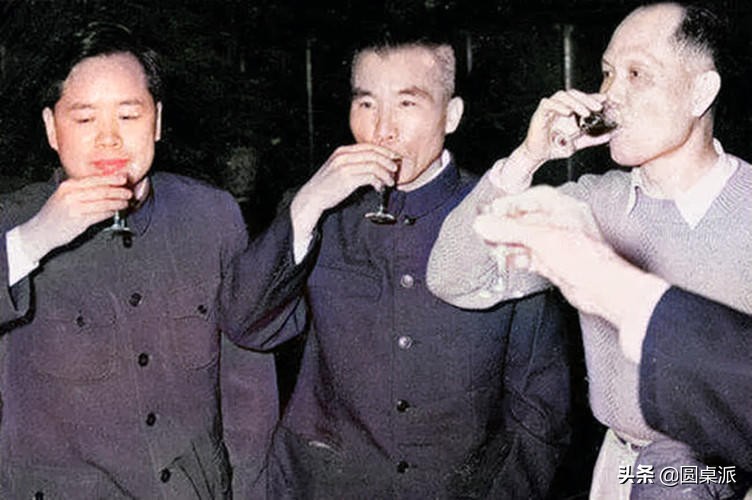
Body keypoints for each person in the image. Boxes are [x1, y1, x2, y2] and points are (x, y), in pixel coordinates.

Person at [427, 2, 752, 498]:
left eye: (637, 74)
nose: (609, 95)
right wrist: (528, 157)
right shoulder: (589, 206)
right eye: (606, 73)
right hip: (619, 468)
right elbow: (453, 277)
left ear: (700, 92)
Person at [0, 23, 311, 498]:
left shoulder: (212, 215)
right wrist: (33, 240)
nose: (109, 138)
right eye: (85, 119)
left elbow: (246, 391)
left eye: (128, 115)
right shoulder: (14, 222)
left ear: (158, 121)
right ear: (51, 128)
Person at [264, 34, 572, 498]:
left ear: (452, 115)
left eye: (407, 104)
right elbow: (248, 324)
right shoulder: (318, 212)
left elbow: (540, 405)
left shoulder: (506, 214)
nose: (382, 130)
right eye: (366, 104)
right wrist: (305, 207)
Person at [470, 186, 752, 495]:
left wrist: (611, 282)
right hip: (616, 458)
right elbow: (453, 279)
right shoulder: (593, 195)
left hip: (703, 472)